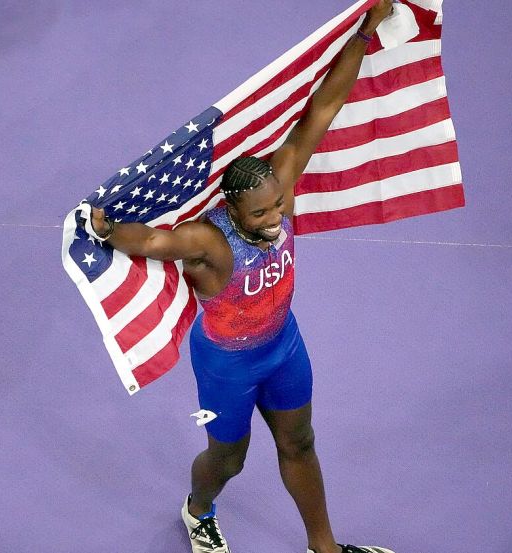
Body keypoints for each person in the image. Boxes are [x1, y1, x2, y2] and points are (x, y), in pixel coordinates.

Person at [89, 2, 397, 552]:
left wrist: (364, 36)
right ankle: (197, 510)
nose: (276, 220)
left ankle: (324, 548)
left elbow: (323, 108)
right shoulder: (208, 242)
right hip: (226, 366)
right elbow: (155, 241)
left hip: (284, 347)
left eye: (277, 208)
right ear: (233, 212)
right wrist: (109, 230)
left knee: (299, 443)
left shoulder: (279, 184)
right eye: (261, 215)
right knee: (229, 459)